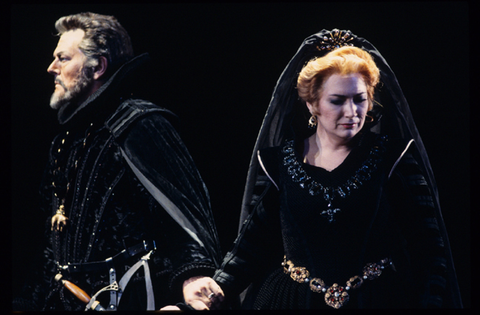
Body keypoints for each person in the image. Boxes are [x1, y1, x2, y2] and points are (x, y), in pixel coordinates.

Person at [182, 29, 463, 309]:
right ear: (312, 104)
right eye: (337, 100)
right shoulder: (279, 162)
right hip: (290, 303)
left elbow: (430, 251)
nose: (352, 112)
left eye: (359, 99)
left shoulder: (395, 158)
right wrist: (209, 294)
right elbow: (250, 249)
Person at [12, 12, 222, 311]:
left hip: (128, 298)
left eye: (63, 58)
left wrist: (193, 276)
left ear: (97, 67)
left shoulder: (139, 124)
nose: (51, 68)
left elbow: (185, 214)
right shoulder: (65, 142)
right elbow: (52, 242)